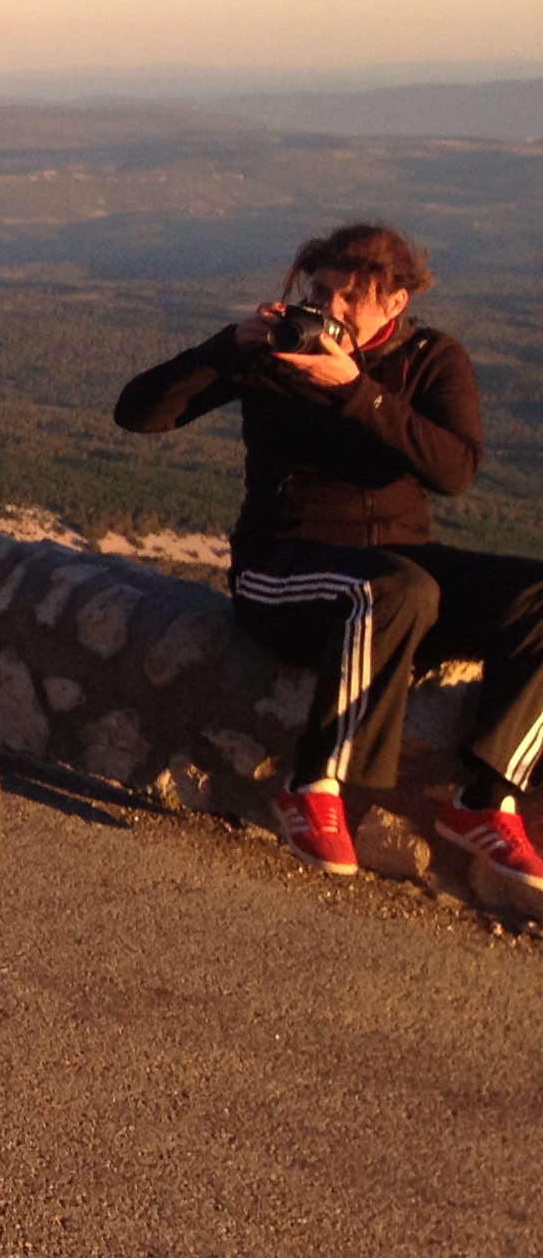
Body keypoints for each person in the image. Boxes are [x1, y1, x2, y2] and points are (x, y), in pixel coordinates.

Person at [114, 224, 543, 891]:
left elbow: (454, 470)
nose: (332, 310)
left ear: (394, 305)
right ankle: (314, 785)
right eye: (322, 292)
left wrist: (355, 391)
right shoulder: (273, 355)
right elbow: (139, 414)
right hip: (280, 571)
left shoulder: (431, 359)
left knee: (524, 593)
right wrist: (228, 347)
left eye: (352, 298)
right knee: (397, 591)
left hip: (397, 571)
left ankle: (489, 798)